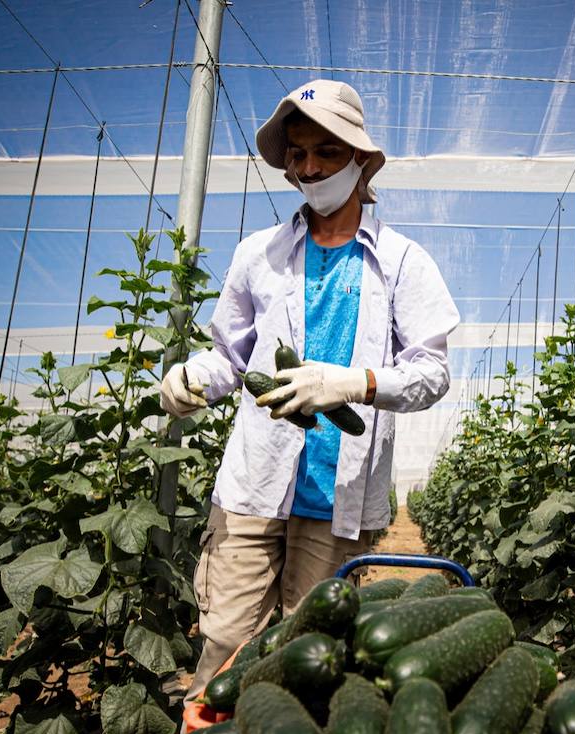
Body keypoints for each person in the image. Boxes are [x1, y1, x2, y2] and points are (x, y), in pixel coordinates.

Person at [160, 78, 460, 702]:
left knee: (309, 657)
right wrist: (191, 378)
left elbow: (431, 373)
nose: (310, 167)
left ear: (361, 160)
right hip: (253, 483)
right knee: (223, 644)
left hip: (339, 493)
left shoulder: (404, 262)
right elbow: (228, 359)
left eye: (327, 151)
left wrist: (356, 382)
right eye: (297, 153)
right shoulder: (256, 255)